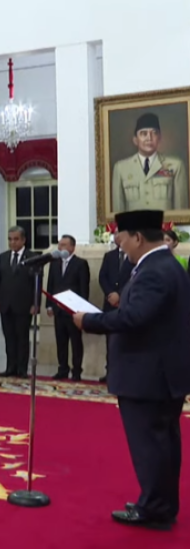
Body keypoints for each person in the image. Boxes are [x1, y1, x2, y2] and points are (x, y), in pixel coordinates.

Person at [74, 209, 190, 531]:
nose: (119, 244)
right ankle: (161, 503)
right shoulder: (167, 264)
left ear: (138, 237)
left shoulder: (153, 270)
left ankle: (154, 508)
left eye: (121, 238)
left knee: (150, 444)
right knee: (164, 443)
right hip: (161, 373)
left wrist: (90, 321)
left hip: (149, 375)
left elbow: (134, 318)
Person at [111, 113, 188, 213]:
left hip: (166, 228)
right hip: (134, 228)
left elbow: (181, 212)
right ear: (135, 140)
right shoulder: (121, 168)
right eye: (143, 133)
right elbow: (118, 212)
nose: (149, 138)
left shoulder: (175, 166)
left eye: (154, 133)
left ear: (159, 138)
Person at [0, 226, 39, 378]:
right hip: (6, 304)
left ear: (23, 240)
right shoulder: (3, 256)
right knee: (9, 337)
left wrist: (35, 303)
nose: (12, 242)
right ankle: (10, 367)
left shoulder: (32, 257)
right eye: (10, 239)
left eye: (16, 239)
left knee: (22, 337)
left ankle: (22, 369)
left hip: (24, 305)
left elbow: (36, 284)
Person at [45, 235, 90, 381]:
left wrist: (81, 309)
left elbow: (84, 288)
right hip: (58, 309)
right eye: (59, 245)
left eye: (64, 245)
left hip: (73, 311)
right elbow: (50, 285)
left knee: (76, 341)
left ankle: (76, 370)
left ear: (72, 247)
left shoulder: (80, 264)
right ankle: (62, 368)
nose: (61, 248)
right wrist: (49, 305)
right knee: (61, 341)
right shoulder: (54, 263)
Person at [97, 243, 133, 384]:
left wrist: (120, 295)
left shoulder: (133, 256)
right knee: (110, 342)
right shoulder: (109, 256)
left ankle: (125, 372)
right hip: (109, 303)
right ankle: (110, 371)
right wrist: (110, 294)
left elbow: (134, 278)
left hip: (126, 303)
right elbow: (102, 277)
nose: (118, 237)